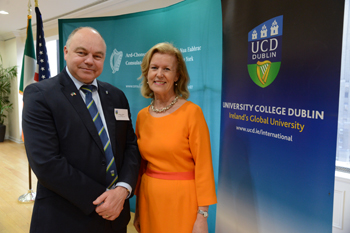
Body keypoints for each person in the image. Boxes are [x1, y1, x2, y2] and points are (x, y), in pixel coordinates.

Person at [22, 27, 141, 233]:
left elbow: (130, 146)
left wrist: (122, 190)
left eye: (97, 56)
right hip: (66, 219)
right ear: (66, 52)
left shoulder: (116, 96)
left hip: (115, 218)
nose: (89, 61)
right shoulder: (40, 95)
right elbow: (46, 163)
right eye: (82, 53)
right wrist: (104, 200)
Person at [133, 42, 217, 233]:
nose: (159, 74)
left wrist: (202, 216)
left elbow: (204, 167)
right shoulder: (142, 116)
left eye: (167, 69)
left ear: (177, 76)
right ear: (147, 73)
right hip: (149, 201)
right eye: (154, 68)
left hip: (182, 202)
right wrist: (138, 210)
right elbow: (141, 168)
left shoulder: (192, 113)